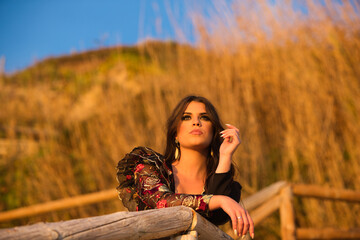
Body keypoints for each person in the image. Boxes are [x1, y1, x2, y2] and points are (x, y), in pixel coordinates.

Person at [116, 95, 254, 239]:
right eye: (187, 117)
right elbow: (162, 201)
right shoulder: (151, 167)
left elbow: (217, 217)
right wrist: (219, 200)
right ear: (175, 133)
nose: (196, 122)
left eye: (204, 117)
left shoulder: (226, 186)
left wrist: (225, 156)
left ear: (213, 131)